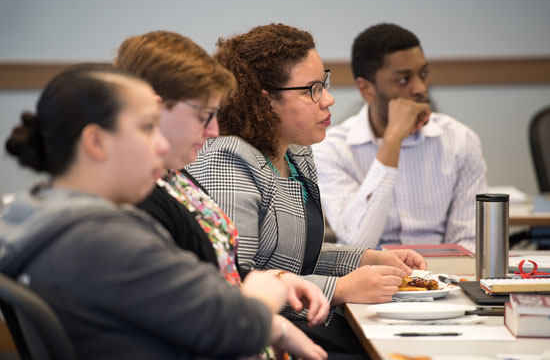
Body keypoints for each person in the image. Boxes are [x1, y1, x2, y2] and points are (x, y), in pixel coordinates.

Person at [0, 65, 325, 360]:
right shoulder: (101, 239)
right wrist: (265, 295)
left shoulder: (40, 213)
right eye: (147, 128)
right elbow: (233, 324)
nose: (160, 145)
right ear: (96, 142)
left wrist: (273, 323)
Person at [187, 23, 426, 357]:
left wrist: (364, 258)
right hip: (267, 339)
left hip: (306, 323)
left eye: (324, 83)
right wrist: (339, 288)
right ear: (265, 101)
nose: (327, 99)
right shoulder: (228, 160)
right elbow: (238, 281)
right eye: (311, 89)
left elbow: (297, 256)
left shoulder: (294, 151)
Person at [113, 30, 329, 359]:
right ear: (154, 110)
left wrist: (276, 284)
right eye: (203, 116)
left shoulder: (172, 178)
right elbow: (186, 313)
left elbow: (217, 269)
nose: (214, 130)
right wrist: (268, 310)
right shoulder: (135, 199)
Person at [312, 23, 487, 251]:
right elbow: (358, 242)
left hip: (444, 278)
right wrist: (392, 140)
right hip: (371, 278)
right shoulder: (331, 148)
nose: (420, 88)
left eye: (423, 75)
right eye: (403, 80)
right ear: (367, 90)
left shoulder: (460, 140)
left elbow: (468, 243)